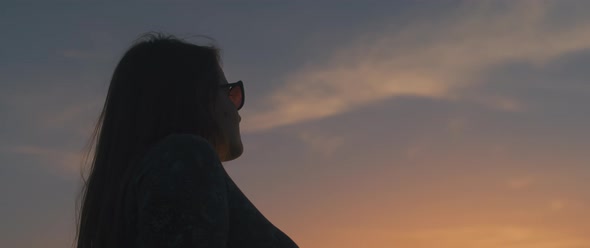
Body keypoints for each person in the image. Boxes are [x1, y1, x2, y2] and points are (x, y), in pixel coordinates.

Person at [73, 32, 299, 248]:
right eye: (229, 92)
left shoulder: (154, 173)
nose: (236, 107)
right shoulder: (186, 156)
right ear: (197, 97)